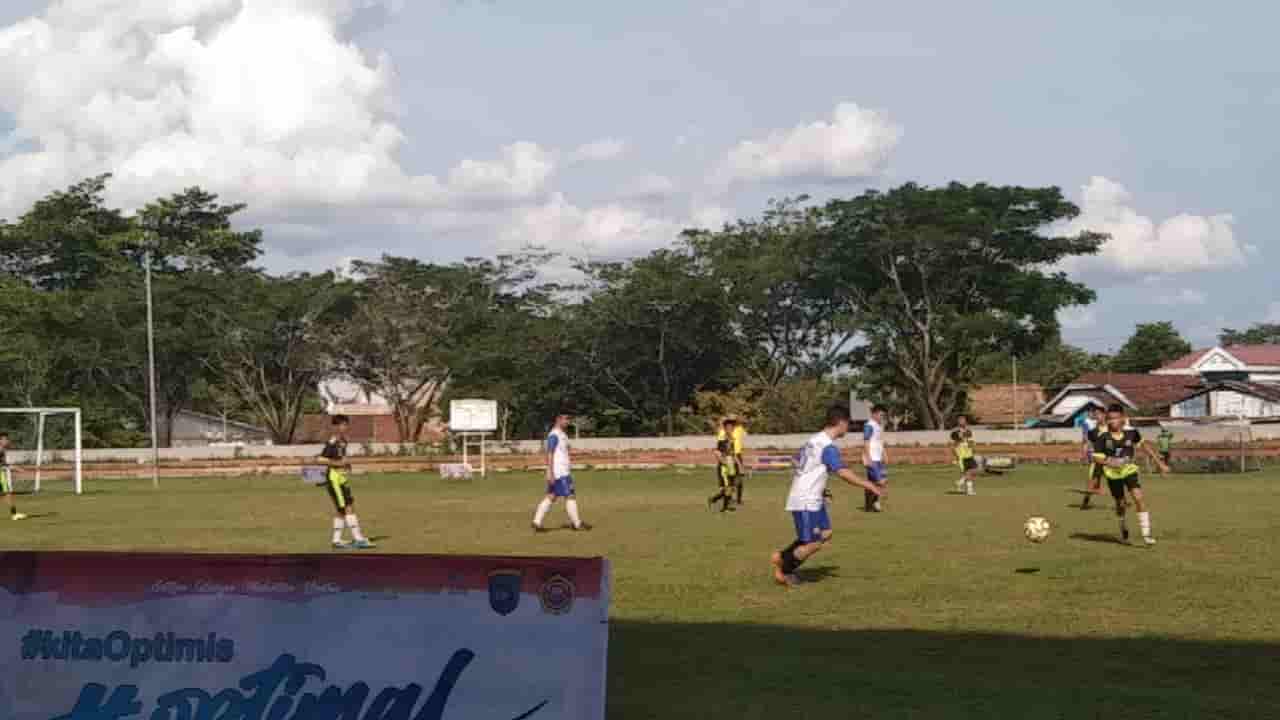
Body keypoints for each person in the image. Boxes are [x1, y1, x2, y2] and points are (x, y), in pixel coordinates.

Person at [769, 405, 884, 587]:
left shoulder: (814, 440)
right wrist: (868, 484)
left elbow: (796, 460)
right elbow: (842, 472)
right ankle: (784, 569)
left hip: (814, 497)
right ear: (840, 423)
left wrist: (818, 486)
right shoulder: (828, 447)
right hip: (805, 499)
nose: (848, 428)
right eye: (848, 424)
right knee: (813, 544)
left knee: (825, 533)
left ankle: (782, 557)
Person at [1091, 404, 1169, 545]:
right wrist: (1109, 461)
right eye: (1109, 419)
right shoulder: (1102, 437)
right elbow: (1096, 457)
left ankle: (1147, 535)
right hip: (1112, 475)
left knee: (1138, 498)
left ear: (1122, 419)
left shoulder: (1132, 433)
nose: (1111, 421)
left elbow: (1145, 447)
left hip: (1129, 471)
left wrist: (1160, 463)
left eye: (1115, 418)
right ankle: (1122, 525)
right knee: (1120, 504)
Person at [318, 415, 375, 549]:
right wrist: (337, 463)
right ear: (335, 427)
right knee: (348, 507)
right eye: (343, 425)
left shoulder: (343, 441)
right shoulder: (332, 441)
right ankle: (358, 538)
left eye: (346, 424)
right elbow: (320, 459)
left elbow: (342, 456)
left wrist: (346, 464)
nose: (345, 427)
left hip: (342, 478)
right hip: (334, 478)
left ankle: (336, 541)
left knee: (342, 509)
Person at [533, 413, 591, 532]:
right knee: (570, 495)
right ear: (558, 419)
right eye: (566, 419)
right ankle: (577, 524)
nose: (568, 421)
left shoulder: (562, 434)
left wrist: (585, 451)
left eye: (569, 419)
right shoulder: (554, 435)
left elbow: (567, 450)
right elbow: (550, 453)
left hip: (561, 470)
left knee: (551, 496)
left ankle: (536, 522)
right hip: (560, 472)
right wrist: (550, 471)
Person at [707, 418, 741, 512]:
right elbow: (716, 452)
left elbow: (733, 455)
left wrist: (740, 466)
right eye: (729, 427)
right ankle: (725, 508)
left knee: (732, 488)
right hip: (724, 468)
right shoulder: (722, 440)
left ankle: (713, 500)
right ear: (725, 429)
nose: (731, 429)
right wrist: (723, 461)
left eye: (732, 427)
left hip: (732, 466)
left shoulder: (732, 441)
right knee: (727, 488)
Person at [860, 405, 889, 512]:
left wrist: (884, 454)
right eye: (881, 415)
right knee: (880, 480)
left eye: (883, 415)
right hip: (871, 457)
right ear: (875, 414)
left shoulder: (878, 426)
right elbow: (866, 442)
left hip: (878, 458)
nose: (882, 417)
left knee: (873, 481)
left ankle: (870, 505)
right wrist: (868, 457)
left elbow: (879, 441)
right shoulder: (868, 425)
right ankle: (874, 503)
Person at [1080, 406, 1107, 510]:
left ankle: (1123, 501)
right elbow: (1088, 442)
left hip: (1110, 459)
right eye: (1095, 415)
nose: (1096, 416)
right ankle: (1085, 502)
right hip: (1097, 459)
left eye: (1098, 414)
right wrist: (1085, 453)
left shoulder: (1111, 428)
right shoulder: (1094, 430)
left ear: (1104, 415)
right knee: (1092, 482)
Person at [0, 433, 28, 521]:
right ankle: (14, 514)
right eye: (5, 439)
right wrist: (16, 468)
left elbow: (4, 464)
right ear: (0, 440)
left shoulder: (3, 450)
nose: (7, 441)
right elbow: (3, 464)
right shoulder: (0, 450)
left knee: (7, 494)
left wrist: (15, 468)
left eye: (7, 439)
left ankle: (14, 514)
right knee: (7, 494)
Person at [951, 416, 978, 496]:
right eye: (960, 421)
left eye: (963, 420)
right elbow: (954, 446)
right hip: (962, 456)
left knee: (973, 471)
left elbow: (970, 441)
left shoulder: (968, 431)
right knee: (968, 473)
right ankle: (969, 490)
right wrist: (956, 457)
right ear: (958, 422)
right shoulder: (955, 432)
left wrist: (972, 448)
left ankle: (960, 482)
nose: (962, 422)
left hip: (969, 454)